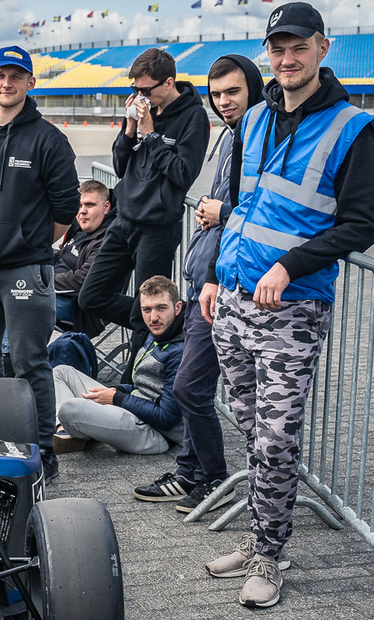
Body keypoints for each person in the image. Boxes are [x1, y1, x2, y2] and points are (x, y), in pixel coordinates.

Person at [200, 2, 374, 608]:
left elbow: (361, 225)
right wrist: (215, 274)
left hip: (292, 309)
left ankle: (270, 555)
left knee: (276, 439)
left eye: (298, 47)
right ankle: (261, 537)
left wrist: (290, 265)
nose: (287, 59)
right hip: (233, 299)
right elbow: (240, 208)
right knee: (250, 428)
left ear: (322, 48)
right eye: (277, 49)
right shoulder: (253, 118)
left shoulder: (353, 129)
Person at [135, 55, 263, 512]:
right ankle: (192, 472)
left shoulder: (257, 137)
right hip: (205, 281)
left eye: (233, 91)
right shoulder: (233, 135)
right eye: (218, 93)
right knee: (192, 387)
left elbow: (264, 210)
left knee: (191, 387)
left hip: (224, 284)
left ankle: (213, 478)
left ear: (253, 88)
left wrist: (221, 212)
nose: (224, 101)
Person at [0, 45, 81, 481]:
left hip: (27, 269)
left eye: (16, 76)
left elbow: (66, 208)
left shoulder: (49, 139)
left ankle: (43, 452)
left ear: (30, 82)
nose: (7, 83)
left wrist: (28, 242)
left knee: (30, 363)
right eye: (0, 75)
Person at [78, 47, 209, 357]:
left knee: (146, 310)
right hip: (124, 221)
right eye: (135, 89)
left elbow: (183, 173)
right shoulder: (143, 113)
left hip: (157, 228)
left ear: (168, 83)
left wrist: (151, 136)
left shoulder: (194, 117)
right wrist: (130, 129)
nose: (140, 96)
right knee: (90, 297)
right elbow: (120, 166)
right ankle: (168, 322)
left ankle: (138, 375)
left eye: (145, 90)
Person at [53, 275, 185, 453]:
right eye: (146, 310)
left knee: (70, 409)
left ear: (177, 307)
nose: (153, 317)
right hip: (134, 408)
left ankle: (79, 428)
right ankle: (67, 429)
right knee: (61, 372)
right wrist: (118, 390)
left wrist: (116, 398)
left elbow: (166, 418)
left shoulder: (180, 351)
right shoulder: (155, 333)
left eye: (161, 308)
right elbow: (143, 387)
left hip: (155, 433)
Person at [54, 179, 115, 335]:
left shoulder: (108, 240)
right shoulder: (79, 225)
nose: (82, 211)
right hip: (56, 290)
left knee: (22, 298)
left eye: (89, 205)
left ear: (106, 207)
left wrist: (42, 280)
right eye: (80, 205)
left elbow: (83, 280)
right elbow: (61, 256)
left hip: (81, 310)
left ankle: (9, 351)